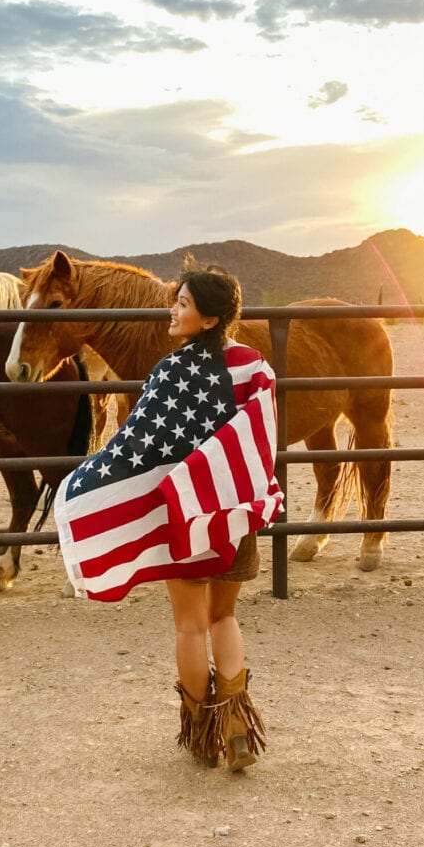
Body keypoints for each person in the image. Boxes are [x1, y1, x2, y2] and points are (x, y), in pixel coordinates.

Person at [54, 263, 283, 771]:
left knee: (189, 627)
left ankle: (204, 734)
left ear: (208, 318)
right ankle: (238, 723)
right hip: (231, 510)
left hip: (183, 520)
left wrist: (82, 483)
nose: (171, 310)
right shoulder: (254, 367)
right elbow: (260, 441)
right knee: (224, 615)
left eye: (182, 303)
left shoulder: (168, 371)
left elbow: (135, 447)